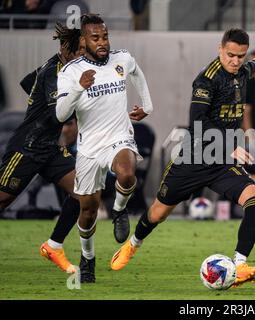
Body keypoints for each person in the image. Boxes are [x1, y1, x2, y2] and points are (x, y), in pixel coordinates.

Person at [110, 28, 255, 288]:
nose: (235, 61)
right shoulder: (206, 81)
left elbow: (253, 66)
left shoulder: (243, 70)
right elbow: (197, 123)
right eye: (230, 55)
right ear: (220, 49)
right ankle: (132, 245)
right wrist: (227, 146)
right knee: (158, 214)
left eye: (240, 56)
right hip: (194, 157)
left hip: (222, 163)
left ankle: (240, 265)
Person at [55, 14, 154, 283]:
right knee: (87, 211)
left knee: (127, 173)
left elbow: (137, 73)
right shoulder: (71, 72)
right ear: (84, 41)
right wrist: (78, 88)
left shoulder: (121, 58)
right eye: (95, 38)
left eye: (105, 37)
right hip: (88, 149)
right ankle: (87, 258)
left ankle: (119, 209)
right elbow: (61, 114)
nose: (102, 43)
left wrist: (147, 105)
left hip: (119, 137)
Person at [0, 23, 82, 274]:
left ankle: (53, 246)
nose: (80, 55)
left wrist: (35, 97)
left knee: (83, 192)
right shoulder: (53, 72)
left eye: (82, 50)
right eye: (76, 50)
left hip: (51, 148)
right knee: (2, 200)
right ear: (63, 48)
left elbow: (27, 82)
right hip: (28, 146)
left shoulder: (69, 69)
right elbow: (62, 111)